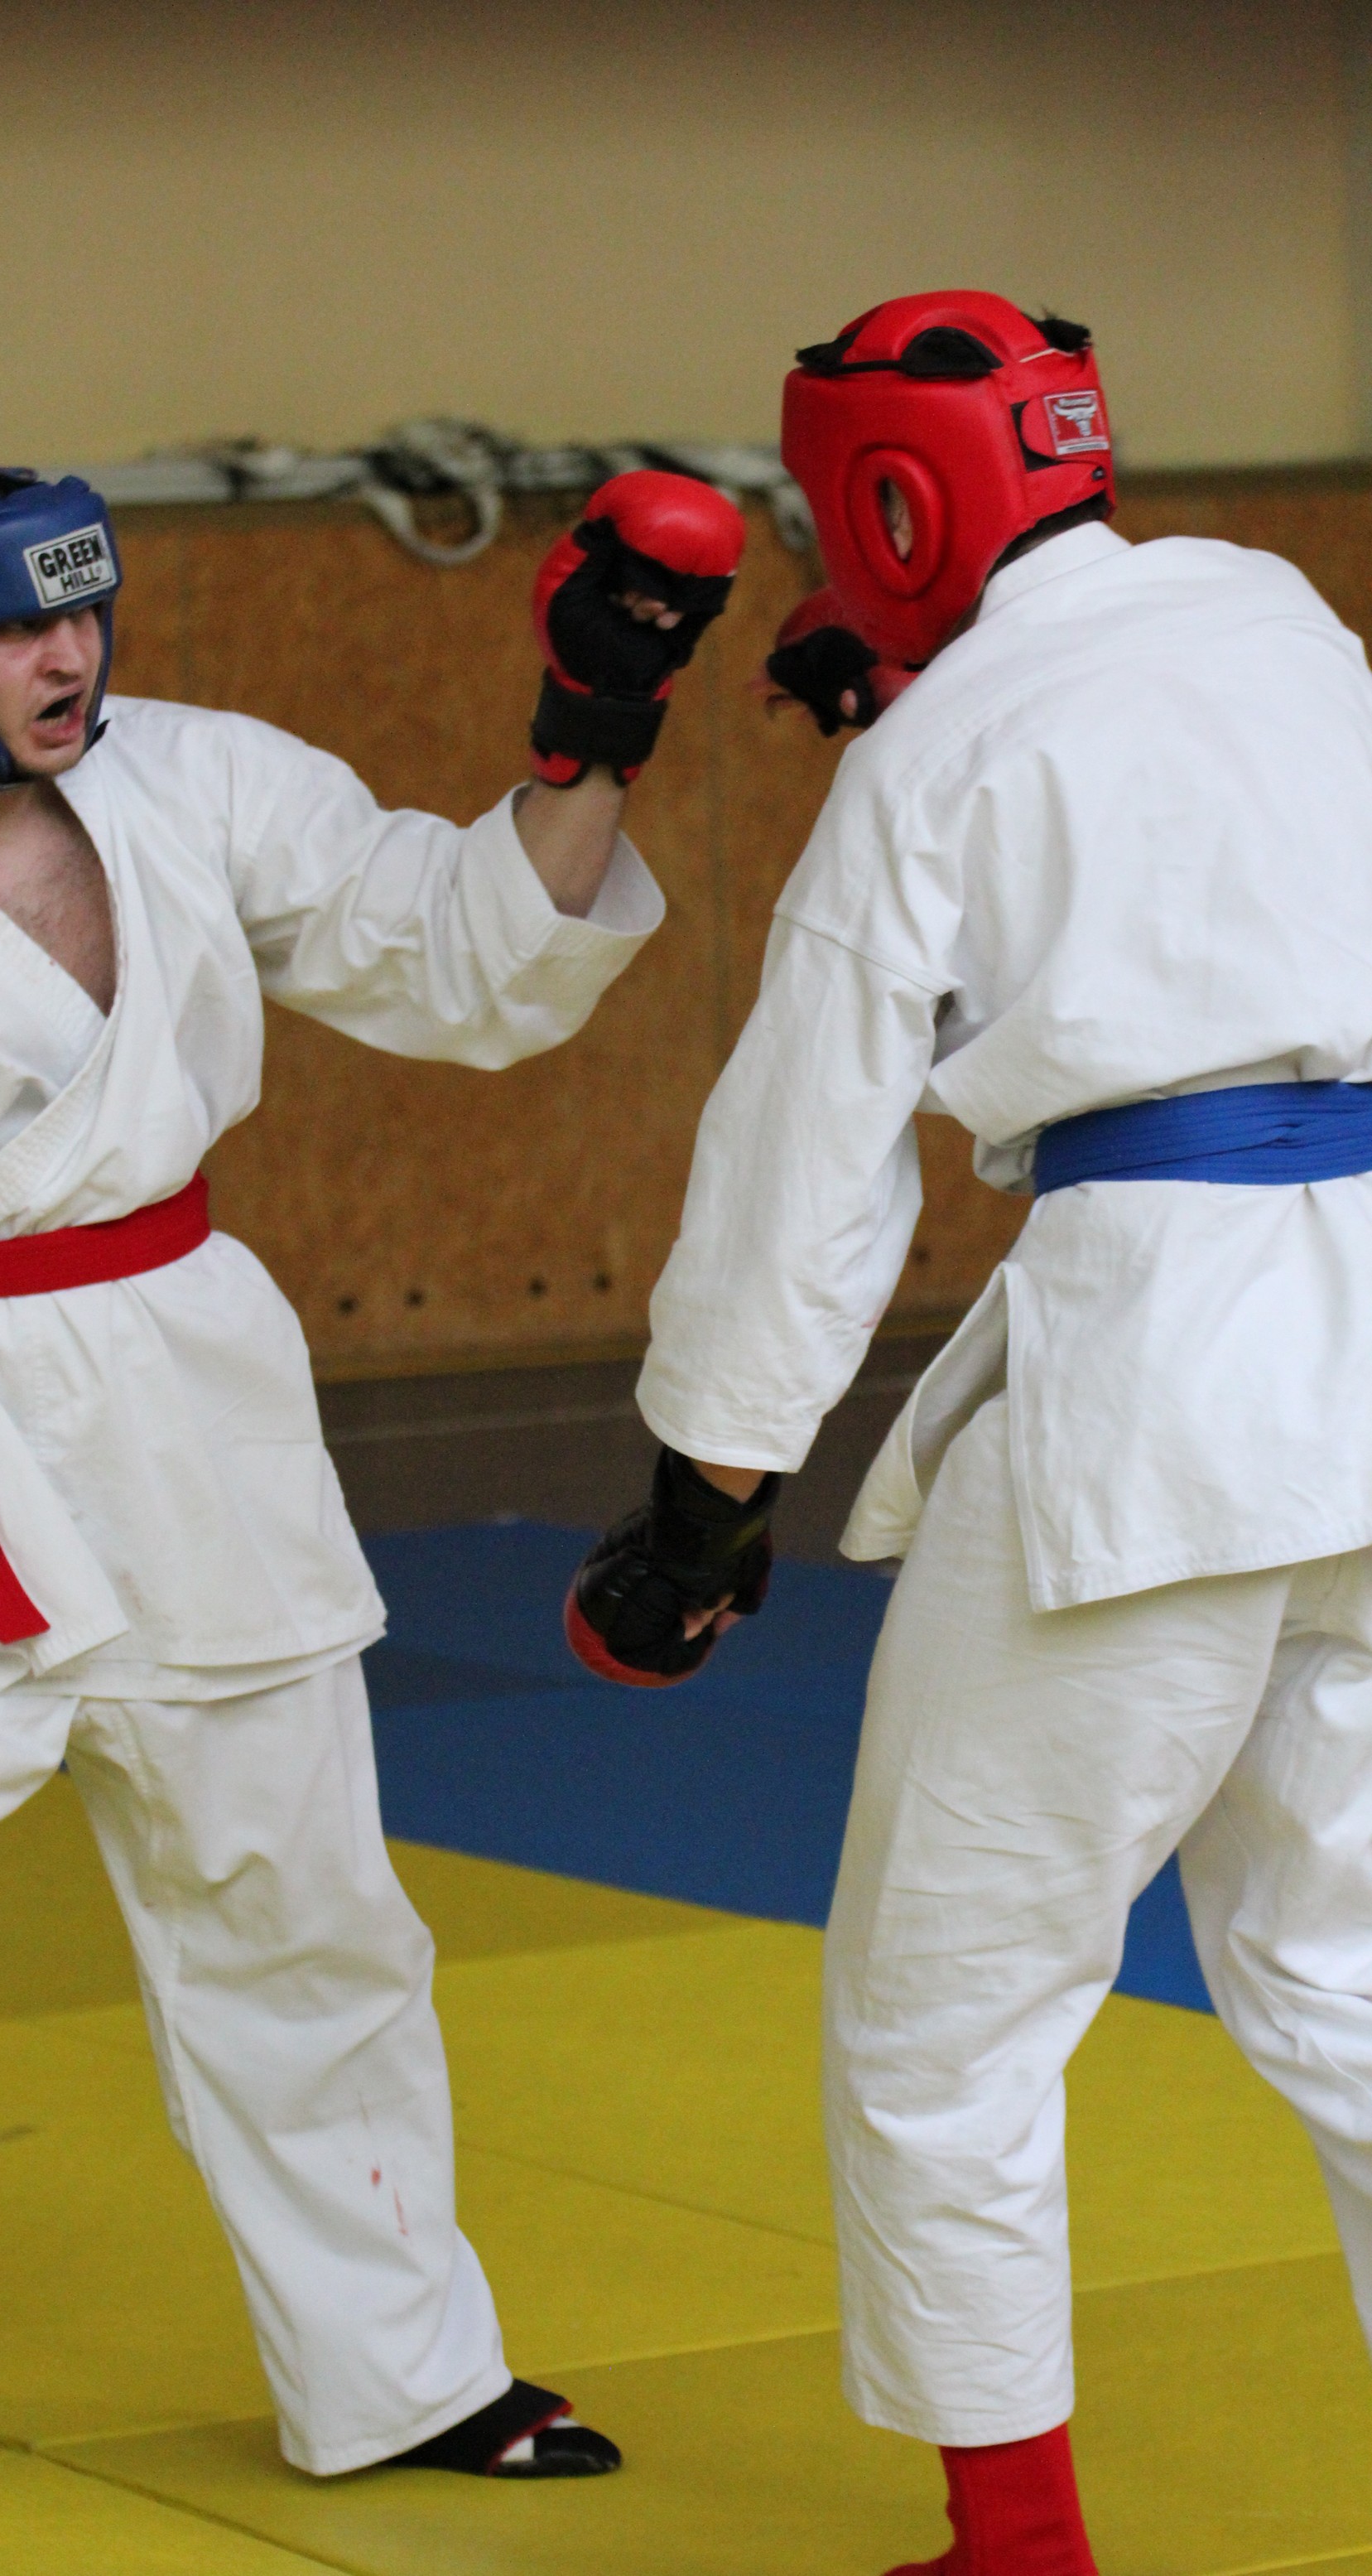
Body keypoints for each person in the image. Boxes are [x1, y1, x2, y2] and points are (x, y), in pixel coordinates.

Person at [0, 448, 744, 2476]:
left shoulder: (189, 775)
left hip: (189, 1416)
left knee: (304, 1918)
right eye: (18, 629)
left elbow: (464, 957)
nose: (72, 656)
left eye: (85, 607)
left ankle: (401, 2372)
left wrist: (591, 729)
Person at [565, 289, 1372, 2576]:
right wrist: (923, 689)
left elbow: (800, 1178)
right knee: (1349, 1980)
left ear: (893, 508)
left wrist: (697, 1516)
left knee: (945, 2007)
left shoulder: (924, 770)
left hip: (1158, 1395)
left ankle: (1013, 2546)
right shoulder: (1281, 620)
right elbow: (1167, 838)